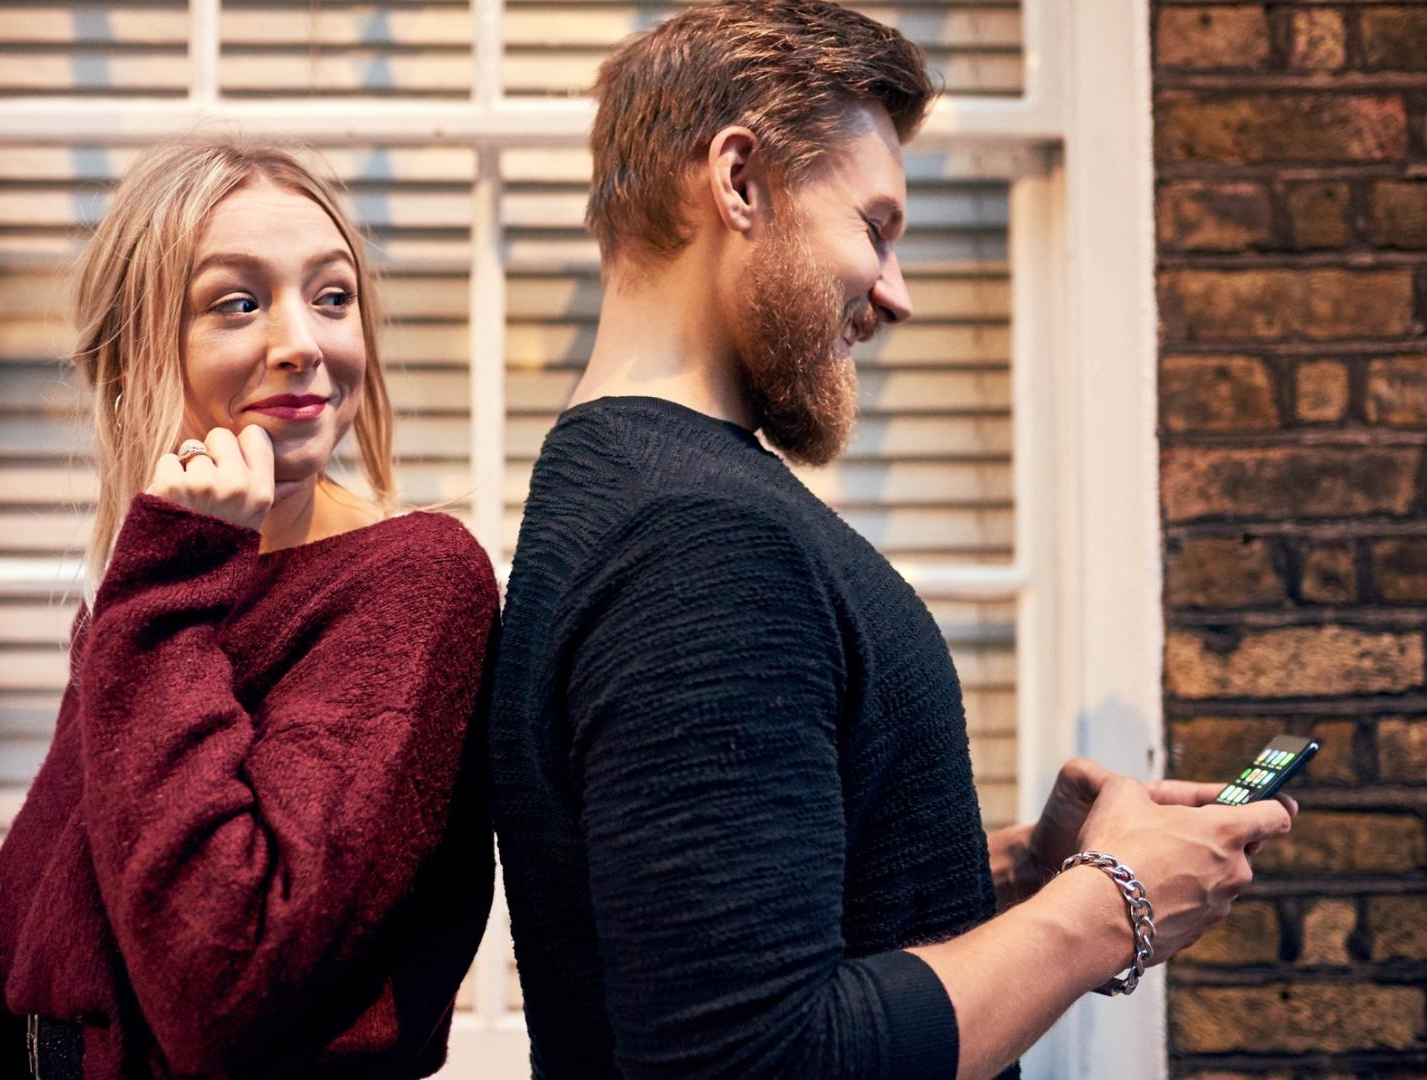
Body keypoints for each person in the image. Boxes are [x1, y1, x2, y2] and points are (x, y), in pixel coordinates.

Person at [486, 3, 1295, 1079]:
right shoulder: (696, 543)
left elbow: (723, 928)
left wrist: (1013, 875)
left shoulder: (624, 486)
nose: (895, 294)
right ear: (739, 183)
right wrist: (1113, 906)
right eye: (875, 227)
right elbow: (752, 1059)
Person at [0, 142, 500, 1080]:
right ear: (131, 358)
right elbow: (103, 1007)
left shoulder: (409, 580)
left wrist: (166, 586)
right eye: (239, 303)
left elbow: (227, 993)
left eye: (333, 297)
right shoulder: (161, 593)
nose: (303, 342)